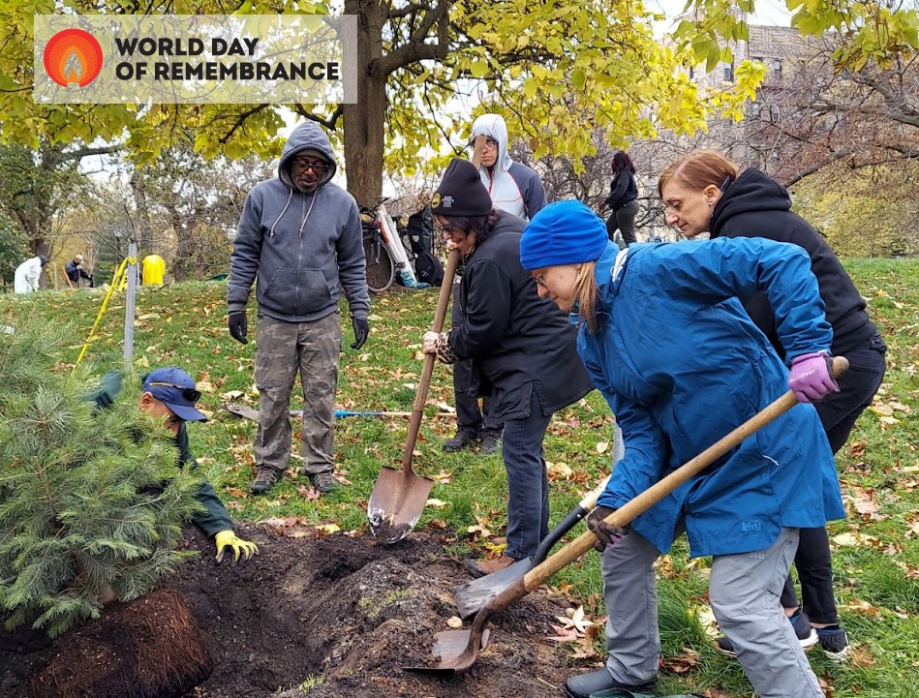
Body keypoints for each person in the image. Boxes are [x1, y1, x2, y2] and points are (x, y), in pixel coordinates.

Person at [519, 200, 844, 698]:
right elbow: (641, 429)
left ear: (576, 260)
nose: (540, 291)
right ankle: (631, 671)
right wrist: (618, 499)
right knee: (622, 547)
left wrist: (805, 347)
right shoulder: (591, 338)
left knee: (740, 602)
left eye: (543, 276)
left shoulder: (658, 268)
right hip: (691, 459)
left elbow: (780, 259)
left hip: (763, 452)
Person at [659, 150, 886, 660]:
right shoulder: (756, 218)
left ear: (712, 194)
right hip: (854, 362)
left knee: (761, 474)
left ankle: (784, 616)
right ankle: (822, 623)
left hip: (831, 370)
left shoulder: (748, 229)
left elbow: (752, 332)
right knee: (797, 480)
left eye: (678, 203)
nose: (672, 217)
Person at [422, 159, 592, 577]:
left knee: (518, 451)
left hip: (535, 363)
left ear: (472, 221)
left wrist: (444, 344)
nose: (448, 239)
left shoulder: (490, 258)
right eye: (444, 231)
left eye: (452, 231)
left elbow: (483, 329)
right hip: (548, 353)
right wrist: (461, 251)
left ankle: (519, 554)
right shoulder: (503, 231)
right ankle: (536, 545)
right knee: (527, 453)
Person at [227, 122, 371, 496]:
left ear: (326, 169)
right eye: (303, 163)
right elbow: (244, 252)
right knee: (273, 393)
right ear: (289, 163)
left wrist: (360, 309)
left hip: (322, 315)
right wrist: (236, 303)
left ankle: (320, 466)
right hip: (274, 315)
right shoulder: (261, 198)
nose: (309, 171)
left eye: (317, 166)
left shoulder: (343, 205)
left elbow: (353, 261)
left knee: (321, 395)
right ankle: (269, 464)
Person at [442, 113, 549, 454]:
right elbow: (452, 221)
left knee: (493, 344)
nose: (483, 148)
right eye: (477, 141)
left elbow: (540, 225)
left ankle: (494, 425)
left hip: (507, 278)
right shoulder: (466, 179)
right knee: (463, 345)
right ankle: (466, 425)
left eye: (490, 141)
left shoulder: (523, 178)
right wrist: (454, 237)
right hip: (469, 274)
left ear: (501, 143)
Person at [90, 367, 258, 564]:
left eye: (181, 422)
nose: (174, 431)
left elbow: (188, 475)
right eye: (171, 421)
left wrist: (222, 529)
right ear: (146, 402)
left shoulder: (170, 428)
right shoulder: (97, 409)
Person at [603, 151, 639, 246]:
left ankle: (637, 257)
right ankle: (610, 254)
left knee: (628, 236)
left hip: (626, 206)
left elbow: (621, 189)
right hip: (621, 207)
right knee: (607, 231)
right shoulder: (625, 174)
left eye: (614, 161)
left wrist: (607, 201)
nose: (612, 163)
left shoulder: (625, 173)